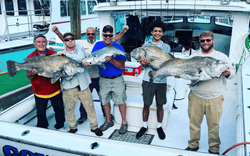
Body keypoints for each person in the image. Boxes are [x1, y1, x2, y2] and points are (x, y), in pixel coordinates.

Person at [52, 25, 129, 124]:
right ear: (86, 35)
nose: (91, 35)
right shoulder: (84, 43)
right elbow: (67, 40)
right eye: (88, 34)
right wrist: (57, 32)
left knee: (110, 100)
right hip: (89, 77)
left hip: (105, 77)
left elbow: (114, 42)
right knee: (88, 99)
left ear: (96, 35)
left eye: (93, 34)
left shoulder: (109, 45)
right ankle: (85, 116)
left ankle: (114, 119)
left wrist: (123, 31)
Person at [184, 31, 235, 154]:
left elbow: (232, 73)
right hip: (196, 96)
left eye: (208, 40)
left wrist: (228, 73)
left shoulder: (222, 57)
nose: (205, 43)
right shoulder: (193, 57)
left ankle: (214, 147)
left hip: (215, 97)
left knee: (214, 125)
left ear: (213, 41)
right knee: (194, 123)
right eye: (203, 41)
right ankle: (193, 145)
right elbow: (186, 73)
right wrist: (178, 74)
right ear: (199, 42)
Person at [83, 25, 128, 134]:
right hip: (103, 79)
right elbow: (95, 60)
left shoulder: (118, 47)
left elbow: (121, 66)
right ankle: (108, 121)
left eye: (110, 35)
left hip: (117, 79)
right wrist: (89, 63)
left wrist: (112, 60)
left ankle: (124, 123)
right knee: (105, 101)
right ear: (102, 35)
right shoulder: (98, 45)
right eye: (105, 35)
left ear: (113, 36)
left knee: (121, 101)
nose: (107, 37)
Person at [57, 32, 103, 136]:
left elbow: (81, 59)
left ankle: (94, 126)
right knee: (69, 108)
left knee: (90, 106)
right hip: (68, 86)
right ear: (64, 42)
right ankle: (72, 126)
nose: (70, 41)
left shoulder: (80, 49)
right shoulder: (60, 54)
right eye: (67, 39)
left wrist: (66, 55)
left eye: (72, 39)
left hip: (83, 84)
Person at [136, 20, 171, 140]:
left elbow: (167, 63)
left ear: (162, 33)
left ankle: (159, 127)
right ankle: (144, 126)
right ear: (151, 32)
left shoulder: (166, 47)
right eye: (155, 31)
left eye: (160, 31)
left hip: (161, 80)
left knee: (160, 105)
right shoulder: (145, 46)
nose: (157, 33)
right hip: (148, 79)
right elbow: (144, 65)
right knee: (146, 104)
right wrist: (143, 63)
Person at [26, 34, 66, 131]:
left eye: (43, 41)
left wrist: (63, 56)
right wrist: (32, 74)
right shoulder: (30, 57)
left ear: (46, 43)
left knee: (59, 110)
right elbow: (28, 76)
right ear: (35, 44)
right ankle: (43, 128)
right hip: (39, 91)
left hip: (55, 89)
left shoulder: (54, 54)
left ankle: (60, 126)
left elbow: (61, 67)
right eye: (39, 42)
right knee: (40, 112)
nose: (41, 43)